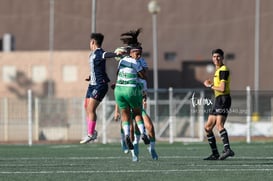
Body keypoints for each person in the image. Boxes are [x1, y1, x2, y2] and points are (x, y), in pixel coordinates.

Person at [80, 33, 122, 144]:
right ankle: (92, 131)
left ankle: (91, 134)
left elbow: (105, 55)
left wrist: (115, 53)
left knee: (90, 109)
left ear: (93, 42)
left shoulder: (99, 52)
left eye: (90, 42)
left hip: (100, 85)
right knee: (86, 106)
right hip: (92, 84)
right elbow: (96, 68)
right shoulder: (92, 54)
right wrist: (90, 76)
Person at [114, 45, 150, 162]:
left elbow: (118, 73)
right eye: (137, 53)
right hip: (131, 90)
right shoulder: (136, 62)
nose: (139, 56)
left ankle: (126, 135)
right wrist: (141, 70)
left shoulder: (122, 61)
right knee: (137, 113)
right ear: (131, 53)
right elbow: (143, 76)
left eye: (140, 54)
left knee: (124, 115)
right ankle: (144, 133)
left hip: (119, 90)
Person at [203, 48, 235, 160]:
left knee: (219, 125)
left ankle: (228, 150)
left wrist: (210, 86)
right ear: (212, 58)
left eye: (218, 56)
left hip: (224, 99)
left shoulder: (223, 70)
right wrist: (212, 85)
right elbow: (219, 88)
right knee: (207, 127)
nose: (216, 58)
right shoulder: (217, 71)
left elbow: (222, 88)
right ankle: (215, 153)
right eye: (214, 56)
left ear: (222, 58)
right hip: (218, 100)